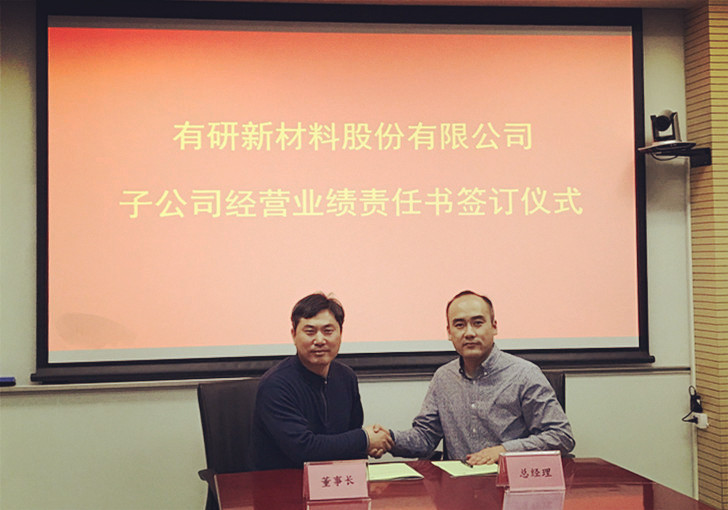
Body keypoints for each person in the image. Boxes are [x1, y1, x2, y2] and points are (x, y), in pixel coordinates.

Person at [386, 290, 574, 465]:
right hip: (459, 483)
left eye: (477, 323)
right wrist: (388, 438)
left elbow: (561, 436)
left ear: (494, 327)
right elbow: (425, 438)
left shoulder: (524, 374)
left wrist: (504, 451)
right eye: (459, 325)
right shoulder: (443, 378)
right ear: (449, 333)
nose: (469, 333)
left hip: (510, 481)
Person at [252, 292, 392, 470]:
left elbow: (352, 440)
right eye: (310, 331)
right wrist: (365, 439)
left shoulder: (346, 377)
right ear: (294, 335)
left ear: (340, 333)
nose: (319, 340)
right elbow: (303, 449)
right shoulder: (275, 385)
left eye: (328, 331)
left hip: (335, 479)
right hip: (284, 481)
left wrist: (370, 444)